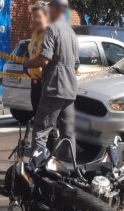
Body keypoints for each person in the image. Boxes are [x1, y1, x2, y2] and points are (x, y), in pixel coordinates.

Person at [23, 0, 80, 161]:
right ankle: (69, 169)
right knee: (68, 134)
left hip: (54, 88)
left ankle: (37, 170)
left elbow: (44, 59)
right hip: (70, 90)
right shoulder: (71, 31)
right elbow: (76, 63)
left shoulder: (51, 29)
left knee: (40, 132)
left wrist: (26, 63)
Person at [27, 1, 49, 116]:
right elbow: (32, 52)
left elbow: (44, 60)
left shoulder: (49, 35)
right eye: (33, 17)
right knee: (37, 119)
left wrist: (27, 65)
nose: (35, 20)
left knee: (46, 122)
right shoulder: (35, 33)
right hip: (35, 82)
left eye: (38, 17)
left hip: (46, 83)